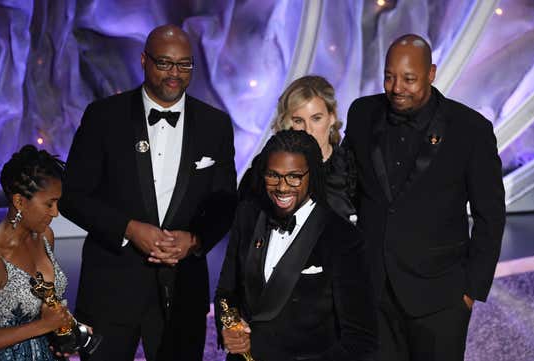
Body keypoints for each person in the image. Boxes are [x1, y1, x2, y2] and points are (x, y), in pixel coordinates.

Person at [59, 24, 237, 361]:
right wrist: (128, 228)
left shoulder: (215, 124)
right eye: (165, 63)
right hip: (111, 286)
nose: (175, 74)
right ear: (144, 60)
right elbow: (73, 195)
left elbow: (225, 201)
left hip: (182, 288)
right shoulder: (104, 118)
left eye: (184, 65)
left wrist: (195, 240)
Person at [342, 34, 506, 361]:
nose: (396, 87)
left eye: (409, 79)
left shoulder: (470, 129)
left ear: (431, 74)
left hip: (441, 299)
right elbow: (347, 185)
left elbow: (491, 215)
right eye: (389, 76)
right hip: (374, 290)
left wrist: (470, 291)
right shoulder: (362, 113)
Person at [215, 130, 377, 361]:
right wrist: (231, 324)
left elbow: (360, 338)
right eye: (273, 175)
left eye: (294, 176)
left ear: (312, 175)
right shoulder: (248, 216)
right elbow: (225, 293)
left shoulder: (342, 237)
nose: (282, 187)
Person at [0, 145, 72, 360]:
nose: (56, 213)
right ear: (19, 201)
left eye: (57, 203)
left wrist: (67, 328)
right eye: (49, 204)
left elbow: (46, 305)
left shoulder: (45, 236)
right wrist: (43, 326)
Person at [239, 75, 356, 219]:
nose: (308, 130)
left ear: (331, 117)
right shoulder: (264, 166)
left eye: (316, 118)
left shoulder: (350, 168)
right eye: (298, 120)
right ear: (287, 123)